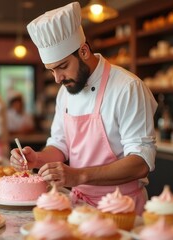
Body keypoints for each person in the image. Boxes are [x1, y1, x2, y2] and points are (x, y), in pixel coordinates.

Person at [10, 2, 157, 214]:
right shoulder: (66, 92)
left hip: (122, 208)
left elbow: (141, 161)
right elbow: (60, 146)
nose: (57, 78)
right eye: (51, 70)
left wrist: (78, 176)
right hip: (79, 207)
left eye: (62, 67)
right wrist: (37, 158)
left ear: (84, 51)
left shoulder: (127, 88)